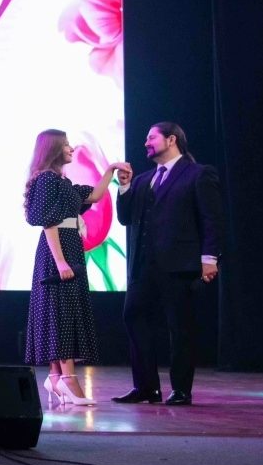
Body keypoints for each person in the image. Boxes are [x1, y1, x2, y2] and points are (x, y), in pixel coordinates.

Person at [112, 122, 225, 406]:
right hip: (143, 266)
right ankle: (146, 387)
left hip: (179, 265)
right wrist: (124, 186)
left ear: (171, 139)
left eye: (151, 137)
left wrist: (209, 258)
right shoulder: (143, 180)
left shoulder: (198, 173)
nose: (146, 143)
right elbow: (125, 218)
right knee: (133, 316)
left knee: (180, 327)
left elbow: (211, 219)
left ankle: (181, 389)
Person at [22, 130, 125, 406]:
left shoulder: (61, 182)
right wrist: (60, 261)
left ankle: (56, 376)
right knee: (61, 311)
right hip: (58, 251)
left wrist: (110, 170)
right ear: (54, 149)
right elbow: (48, 222)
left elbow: (95, 195)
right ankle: (67, 378)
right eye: (66, 144)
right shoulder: (46, 180)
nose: (72, 148)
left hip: (68, 247)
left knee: (62, 309)